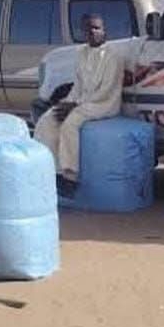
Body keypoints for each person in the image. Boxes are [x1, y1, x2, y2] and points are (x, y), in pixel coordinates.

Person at [34, 14, 124, 197]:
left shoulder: (113, 56)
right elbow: (78, 85)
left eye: (97, 28)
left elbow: (105, 91)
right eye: (88, 29)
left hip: (103, 103)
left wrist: (75, 105)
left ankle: (70, 177)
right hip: (81, 102)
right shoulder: (82, 53)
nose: (93, 32)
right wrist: (67, 102)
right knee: (48, 120)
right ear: (83, 32)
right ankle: (52, 171)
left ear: (104, 30)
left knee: (70, 124)